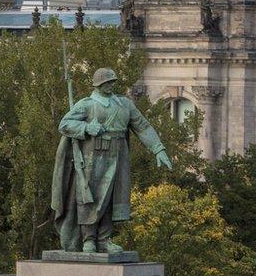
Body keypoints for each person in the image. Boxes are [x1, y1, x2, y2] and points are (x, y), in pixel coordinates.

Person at [51, 68, 172, 253]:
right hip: (94, 155)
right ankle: (88, 239)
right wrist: (86, 127)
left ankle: (104, 239)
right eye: (108, 82)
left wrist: (158, 149)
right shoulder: (87, 105)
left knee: (112, 197)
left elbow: (143, 127)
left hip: (118, 154)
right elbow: (65, 124)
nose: (111, 85)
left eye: (112, 81)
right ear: (99, 85)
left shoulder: (125, 104)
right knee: (89, 198)